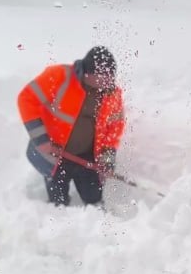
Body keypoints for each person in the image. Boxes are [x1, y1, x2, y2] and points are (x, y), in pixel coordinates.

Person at [17, 46, 125, 206]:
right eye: (102, 77)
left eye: (110, 77)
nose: (107, 82)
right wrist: (41, 140)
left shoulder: (112, 94)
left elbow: (114, 128)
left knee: (94, 201)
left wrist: (107, 160)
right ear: (87, 74)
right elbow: (26, 98)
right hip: (56, 155)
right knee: (57, 204)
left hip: (87, 157)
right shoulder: (59, 76)